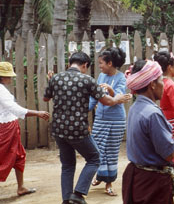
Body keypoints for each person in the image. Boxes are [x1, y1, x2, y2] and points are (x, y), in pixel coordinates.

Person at [43, 51, 131, 204]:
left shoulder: (56, 78)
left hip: (58, 130)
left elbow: (46, 98)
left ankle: (66, 199)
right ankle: (78, 194)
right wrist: (118, 98)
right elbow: (108, 102)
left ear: (70, 63)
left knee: (68, 165)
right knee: (94, 158)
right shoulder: (87, 80)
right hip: (78, 129)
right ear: (84, 65)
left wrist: (53, 83)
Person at [122, 59, 174, 204]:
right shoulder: (153, 113)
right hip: (152, 182)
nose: (164, 84)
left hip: (138, 177)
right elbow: (168, 153)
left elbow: (151, 145)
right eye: (161, 79)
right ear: (152, 85)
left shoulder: (136, 108)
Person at [0, 62, 50, 197]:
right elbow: (15, 109)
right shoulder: (1, 90)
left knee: (18, 155)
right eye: (8, 76)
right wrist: (37, 113)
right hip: (4, 128)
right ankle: (20, 186)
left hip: (8, 126)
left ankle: (21, 187)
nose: (11, 79)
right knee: (3, 158)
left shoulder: (3, 89)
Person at [89, 47, 127, 196]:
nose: (99, 66)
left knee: (111, 152)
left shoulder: (121, 78)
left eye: (101, 63)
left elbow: (119, 97)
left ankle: (109, 183)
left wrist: (111, 90)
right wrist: (83, 108)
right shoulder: (100, 77)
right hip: (100, 119)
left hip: (116, 121)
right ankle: (99, 175)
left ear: (110, 63)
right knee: (97, 149)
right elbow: (94, 97)